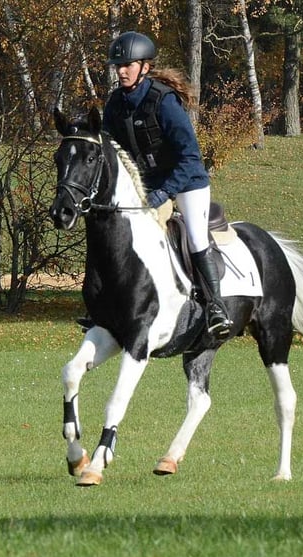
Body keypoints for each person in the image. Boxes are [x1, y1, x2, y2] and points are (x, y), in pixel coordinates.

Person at [102, 30, 233, 339]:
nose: (121, 71)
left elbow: (190, 157)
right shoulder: (115, 104)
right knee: (115, 232)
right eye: (118, 66)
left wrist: (165, 192)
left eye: (128, 65)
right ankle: (107, 304)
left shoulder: (164, 101)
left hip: (187, 182)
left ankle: (216, 308)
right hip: (146, 183)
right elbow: (109, 147)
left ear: (145, 67)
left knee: (196, 238)